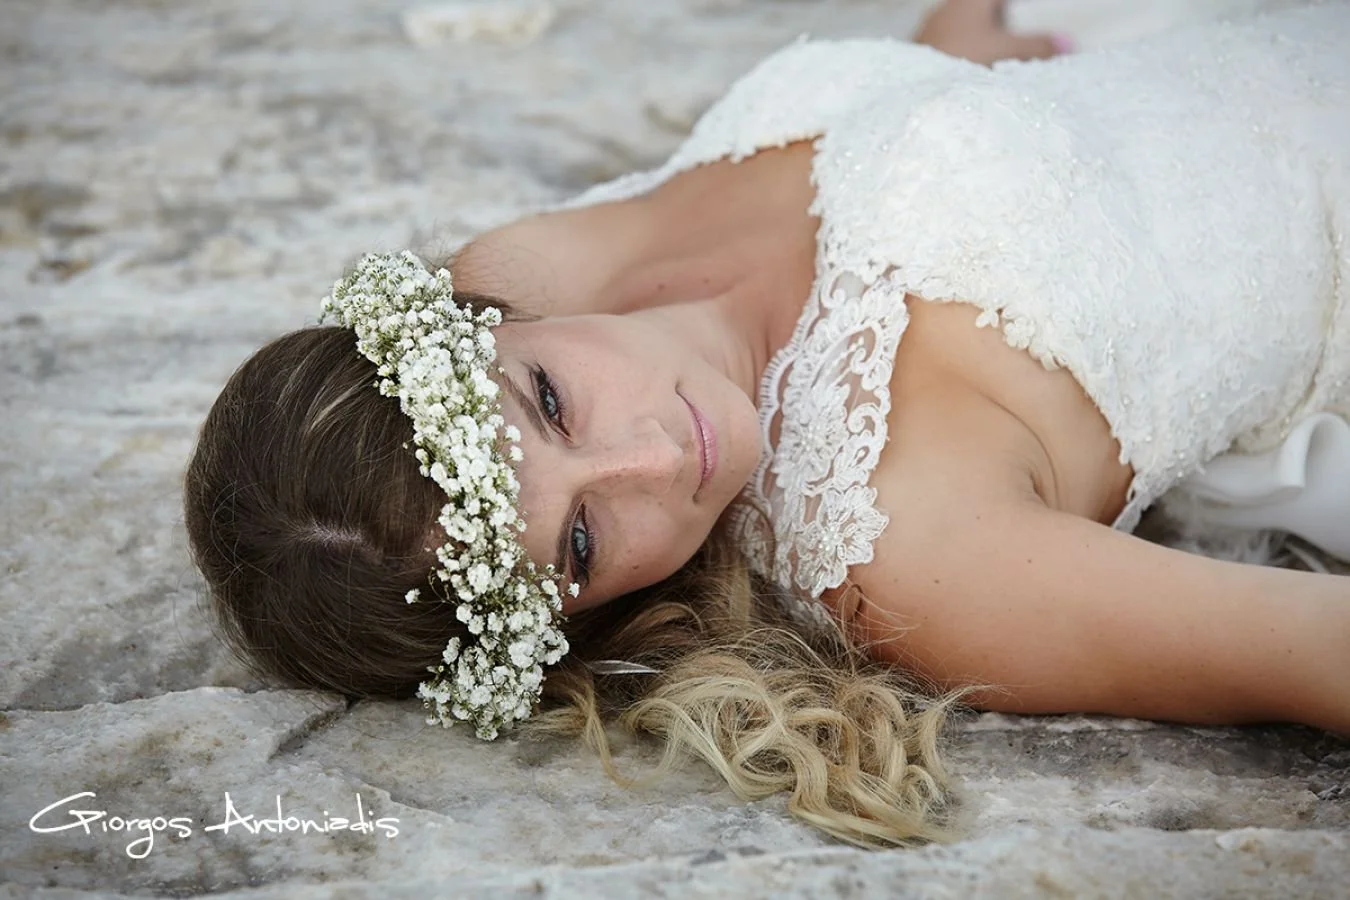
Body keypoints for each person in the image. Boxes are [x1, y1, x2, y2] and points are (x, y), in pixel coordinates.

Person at [183, 0, 1350, 848]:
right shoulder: (912, 553)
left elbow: (893, 152)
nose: (656, 457)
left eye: (551, 402)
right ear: (573, 628)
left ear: (473, 324)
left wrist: (952, 71)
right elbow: (1314, 648)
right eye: (582, 545)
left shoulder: (530, 267)